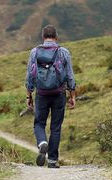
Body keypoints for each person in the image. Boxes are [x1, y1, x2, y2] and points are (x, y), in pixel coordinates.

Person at [25, 25, 76, 168]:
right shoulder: (63, 52)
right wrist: (72, 95)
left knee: (39, 123)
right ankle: (53, 160)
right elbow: (70, 76)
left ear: (43, 37)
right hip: (59, 93)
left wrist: (29, 95)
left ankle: (42, 142)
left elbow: (30, 75)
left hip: (41, 93)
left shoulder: (34, 52)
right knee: (56, 127)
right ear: (56, 36)